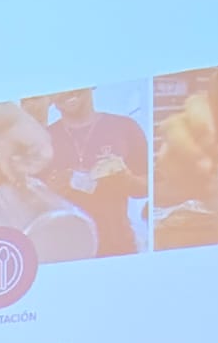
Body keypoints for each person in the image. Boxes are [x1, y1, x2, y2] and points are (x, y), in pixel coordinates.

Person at [46, 88, 148, 256]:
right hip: (63, 252)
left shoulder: (125, 127)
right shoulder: (42, 139)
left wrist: (128, 181)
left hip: (118, 249)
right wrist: (49, 193)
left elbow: (149, 186)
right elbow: (26, 202)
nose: (68, 91)